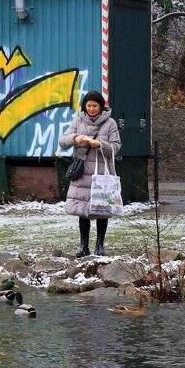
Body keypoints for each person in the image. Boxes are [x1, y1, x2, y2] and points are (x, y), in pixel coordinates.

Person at [59, 90, 122, 257]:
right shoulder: (78, 120)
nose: (92, 109)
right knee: (83, 210)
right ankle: (83, 246)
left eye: (95, 106)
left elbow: (116, 147)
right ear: (84, 106)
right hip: (82, 172)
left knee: (103, 209)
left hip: (102, 173)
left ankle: (100, 245)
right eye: (89, 106)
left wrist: (100, 144)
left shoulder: (110, 123)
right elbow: (62, 141)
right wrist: (75, 139)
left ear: (101, 106)